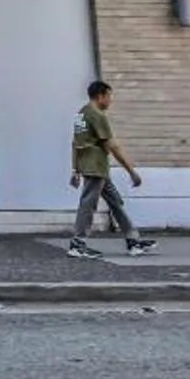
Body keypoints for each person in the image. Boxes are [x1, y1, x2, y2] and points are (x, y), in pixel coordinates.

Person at [64, 78, 156, 259]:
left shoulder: (81, 114)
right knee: (88, 204)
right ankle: (78, 243)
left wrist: (75, 169)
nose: (110, 100)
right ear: (100, 96)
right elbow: (113, 146)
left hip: (92, 167)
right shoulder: (97, 116)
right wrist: (131, 171)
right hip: (96, 167)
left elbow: (75, 143)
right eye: (109, 96)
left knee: (115, 202)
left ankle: (133, 240)